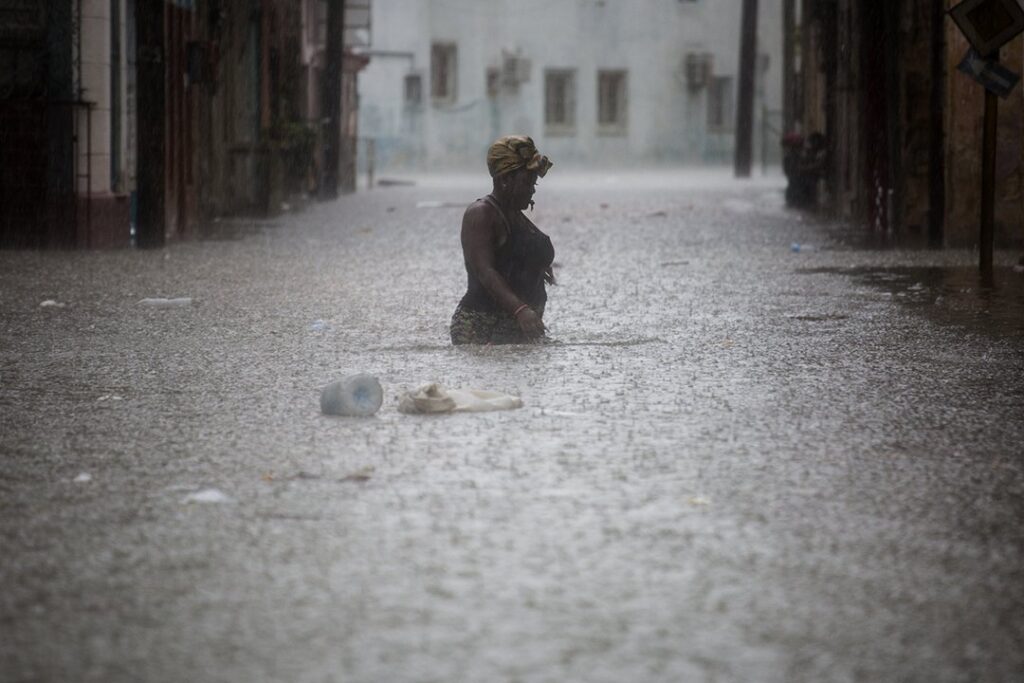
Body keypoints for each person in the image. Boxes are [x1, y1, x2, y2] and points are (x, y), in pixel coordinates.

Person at [450, 135, 555, 345]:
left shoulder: (516, 215)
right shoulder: (481, 214)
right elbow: (485, 271)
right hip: (482, 329)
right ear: (504, 180)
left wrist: (537, 266)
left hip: (518, 331)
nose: (532, 189)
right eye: (527, 182)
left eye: (534, 183)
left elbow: (512, 256)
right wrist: (521, 309)